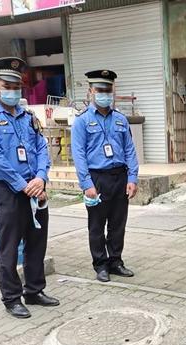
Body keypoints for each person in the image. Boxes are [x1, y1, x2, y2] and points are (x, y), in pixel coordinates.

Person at [0, 57, 59, 318]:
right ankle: (12, 298)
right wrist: (24, 185)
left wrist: (41, 178)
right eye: (7, 85)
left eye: (17, 86)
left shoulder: (27, 115)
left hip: (35, 188)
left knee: (36, 243)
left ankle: (34, 290)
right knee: (8, 247)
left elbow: (42, 147)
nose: (13, 91)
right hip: (8, 191)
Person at [72, 70, 139, 283]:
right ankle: (100, 264)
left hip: (119, 176)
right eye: (100, 90)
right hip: (96, 179)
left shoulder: (120, 119)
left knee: (118, 224)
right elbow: (79, 154)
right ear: (91, 91)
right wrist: (86, 183)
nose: (104, 94)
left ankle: (116, 261)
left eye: (108, 90)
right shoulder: (82, 121)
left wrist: (132, 178)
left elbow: (130, 149)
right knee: (97, 225)